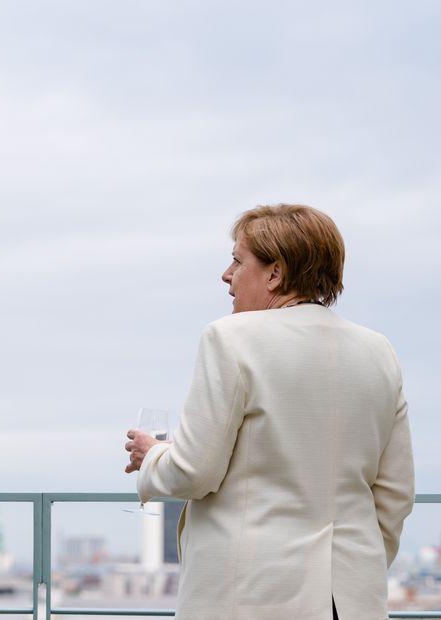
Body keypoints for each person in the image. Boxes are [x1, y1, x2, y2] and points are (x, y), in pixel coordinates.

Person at [124, 204, 414, 620]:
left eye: (238, 261)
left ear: (275, 273)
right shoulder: (378, 351)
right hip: (350, 600)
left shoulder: (230, 338)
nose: (227, 275)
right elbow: (396, 492)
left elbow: (194, 471)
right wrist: (355, 566)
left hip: (249, 598)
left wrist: (152, 455)